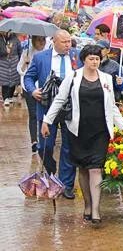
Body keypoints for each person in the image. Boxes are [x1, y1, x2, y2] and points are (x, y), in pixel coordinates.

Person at [41, 44, 123, 224]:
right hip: (78, 129)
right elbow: (59, 99)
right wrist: (47, 121)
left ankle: (96, 210)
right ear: (84, 60)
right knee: (83, 168)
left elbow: (111, 105)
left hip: (100, 130)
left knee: (96, 168)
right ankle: (87, 205)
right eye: (91, 58)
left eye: (97, 58)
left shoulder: (106, 78)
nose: (94, 62)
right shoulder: (73, 76)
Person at [24, 30, 82, 199]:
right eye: (64, 42)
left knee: (68, 147)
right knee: (45, 146)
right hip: (47, 107)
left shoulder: (76, 56)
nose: (68, 45)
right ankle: (50, 170)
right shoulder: (42, 57)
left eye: (69, 41)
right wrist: (33, 90)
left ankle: (66, 185)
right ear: (54, 42)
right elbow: (29, 77)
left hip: (70, 108)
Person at [17, 35, 47, 152]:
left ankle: (44, 138)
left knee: (44, 113)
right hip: (29, 88)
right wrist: (25, 63)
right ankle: (34, 140)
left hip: (43, 87)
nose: (41, 42)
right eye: (39, 40)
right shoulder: (27, 52)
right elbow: (19, 69)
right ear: (33, 40)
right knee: (33, 114)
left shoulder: (47, 53)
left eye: (43, 40)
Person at [0, 31, 21, 107]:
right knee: (5, 81)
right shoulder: (1, 39)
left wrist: (20, 59)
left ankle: (10, 96)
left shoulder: (14, 38)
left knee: (13, 80)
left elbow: (19, 50)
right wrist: (5, 51)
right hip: (3, 63)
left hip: (14, 62)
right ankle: (5, 97)